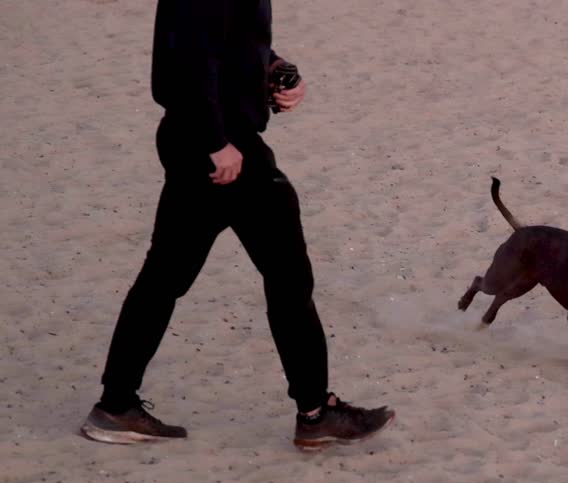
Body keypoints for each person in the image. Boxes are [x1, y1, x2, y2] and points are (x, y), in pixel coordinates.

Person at [81, 0, 394, 450]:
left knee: (164, 278)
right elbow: (188, 61)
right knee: (287, 278)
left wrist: (275, 68)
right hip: (222, 151)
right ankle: (315, 412)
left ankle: (115, 406)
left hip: (210, 144)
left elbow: (229, 43)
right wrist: (216, 143)